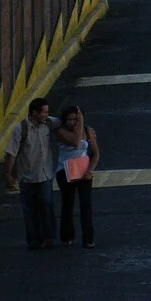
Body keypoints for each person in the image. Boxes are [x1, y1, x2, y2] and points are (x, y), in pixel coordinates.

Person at [3, 96, 58, 249]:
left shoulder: (48, 123)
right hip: (27, 176)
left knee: (46, 204)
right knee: (30, 209)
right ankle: (34, 240)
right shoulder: (20, 129)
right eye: (44, 112)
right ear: (34, 112)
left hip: (45, 174)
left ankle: (48, 236)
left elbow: (66, 123)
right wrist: (8, 175)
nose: (47, 115)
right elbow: (11, 153)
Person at [55, 101, 99, 248]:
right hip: (65, 170)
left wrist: (90, 170)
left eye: (75, 119)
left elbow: (96, 153)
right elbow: (75, 141)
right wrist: (81, 121)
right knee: (68, 204)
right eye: (69, 119)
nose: (72, 122)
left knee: (86, 205)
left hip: (83, 170)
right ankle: (67, 236)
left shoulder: (87, 130)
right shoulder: (61, 131)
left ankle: (88, 238)